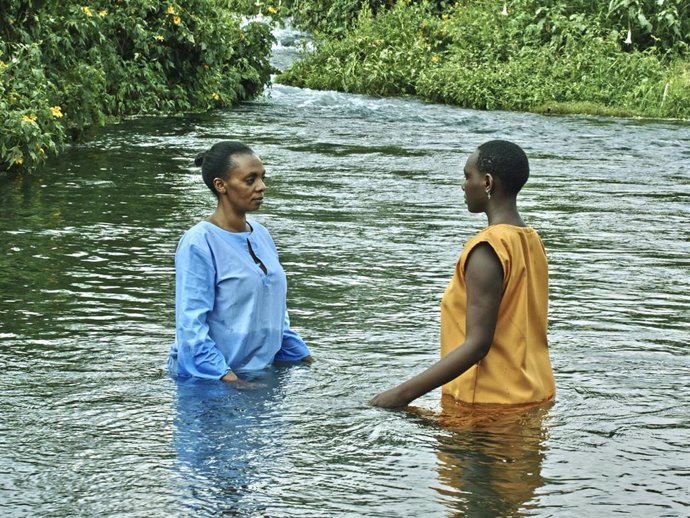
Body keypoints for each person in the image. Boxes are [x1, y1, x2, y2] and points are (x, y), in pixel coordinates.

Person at [370, 140, 555, 408]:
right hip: (534, 397)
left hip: (487, 407)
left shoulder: (487, 248)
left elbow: (477, 345)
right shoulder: (531, 241)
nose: (464, 186)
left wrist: (399, 396)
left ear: (488, 182)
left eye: (469, 177)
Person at [168, 141, 313, 383]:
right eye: (250, 180)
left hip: (259, 377)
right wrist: (231, 381)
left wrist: (305, 358)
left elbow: (275, 315)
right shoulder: (198, 243)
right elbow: (191, 330)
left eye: (262, 178)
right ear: (220, 185)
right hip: (207, 383)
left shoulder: (262, 235)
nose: (262, 187)